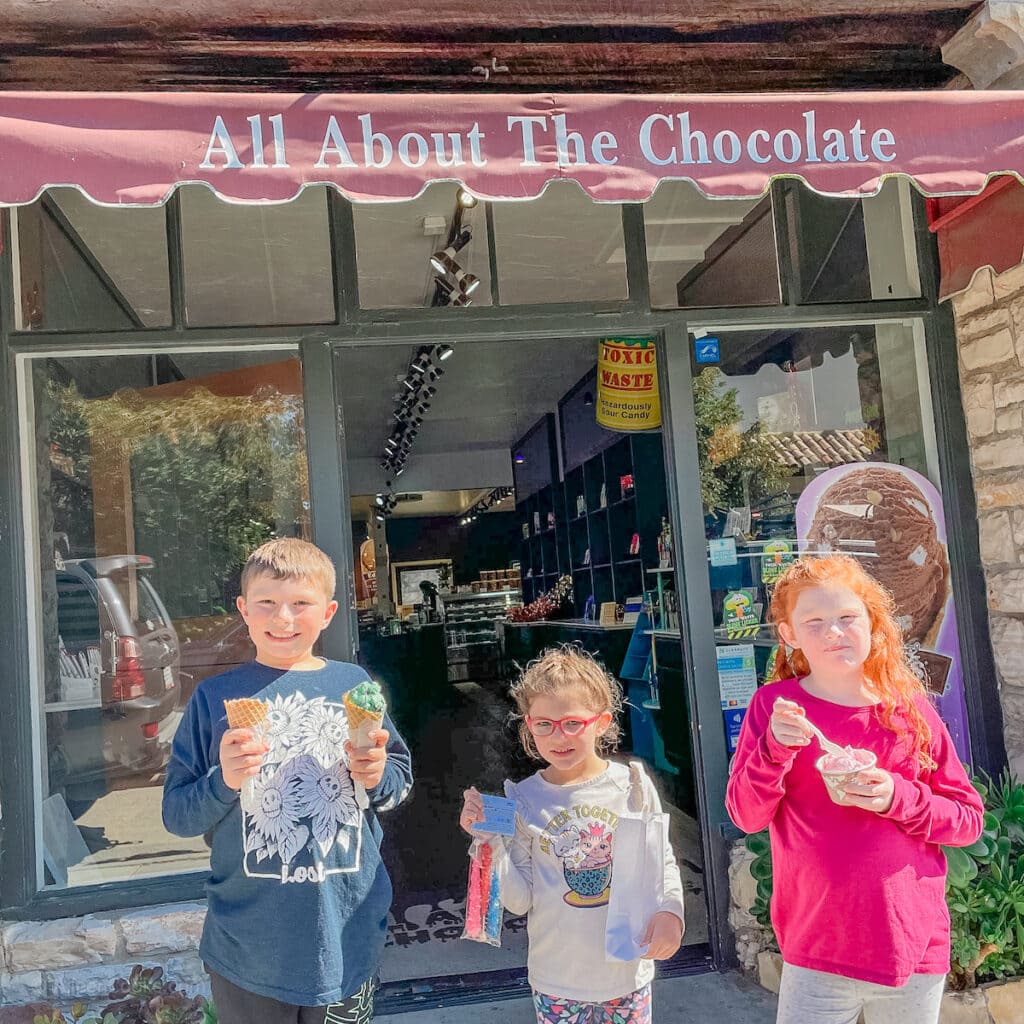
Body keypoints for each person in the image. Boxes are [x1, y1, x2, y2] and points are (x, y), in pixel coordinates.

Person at [163, 538, 413, 1024]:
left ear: (329, 613)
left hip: (347, 935)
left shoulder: (354, 686)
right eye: (267, 604)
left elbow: (398, 781)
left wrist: (378, 775)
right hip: (248, 949)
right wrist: (224, 780)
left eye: (301, 604)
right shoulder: (214, 698)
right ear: (243, 610)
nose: (284, 619)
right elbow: (177, 816)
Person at [726, 554, 983, 1024]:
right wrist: (773, 751)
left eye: (847, 617)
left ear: (872, 622)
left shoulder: (909, 709)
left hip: (913, 947)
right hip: (816, 947)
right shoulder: (775, 707)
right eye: (814, 622)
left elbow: (966, 821)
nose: (834, 632)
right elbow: (747, 815)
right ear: (789, 635)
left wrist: (897, 797)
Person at [460, 647, 685, 1024]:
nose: (557, 736)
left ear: (601, 722)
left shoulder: (633, 786)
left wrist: (671, 914)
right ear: (528, 725)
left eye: (572, 723)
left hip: (627, 978)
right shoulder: (523, 799)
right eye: (544, 724)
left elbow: (661, 863)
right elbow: (519, 901)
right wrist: (489, 841)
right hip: (556, 983)